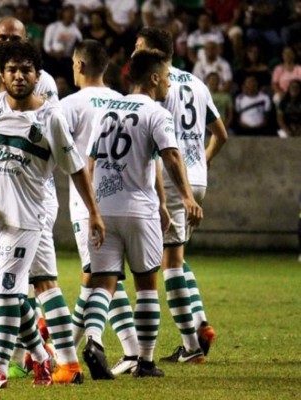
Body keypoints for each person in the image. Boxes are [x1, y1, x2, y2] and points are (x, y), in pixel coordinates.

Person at [0, 40, 105, 389]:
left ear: (37, 76)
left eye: (26, 70)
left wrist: (94, 213)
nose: (19, 76)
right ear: (3, 74)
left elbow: (76, 169)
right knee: (42, 285)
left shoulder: (50, 117)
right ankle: (53, 361)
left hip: (27, 218)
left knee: (6, 292)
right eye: (12, 70)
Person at [83, 49, 203, 379]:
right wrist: (187, 197)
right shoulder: (156, 112)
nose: (168, 83)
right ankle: (146, 363)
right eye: (165, 76)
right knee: (147, 285)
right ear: (153, 78)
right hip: (139, 209)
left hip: (103, 208)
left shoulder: (106, 110)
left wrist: (93, 207)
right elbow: (171, 157)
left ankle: (93, 340)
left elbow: (91, 162)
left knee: (103, 283)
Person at [134, 27, 228, 364]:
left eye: (138, 46)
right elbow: (221, 134)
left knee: (168, 262)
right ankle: (200, 322)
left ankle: (191, 347)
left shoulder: (159, 85)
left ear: (152, 51)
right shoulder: (197, 83)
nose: (134, 51)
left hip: (175, 182)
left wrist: (180, 185)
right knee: (176, 254)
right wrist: (202, 163)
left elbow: (161, 145)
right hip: (196, 180)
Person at [58, 39, 124, 364]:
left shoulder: (70, 105)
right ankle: (133, 351)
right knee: (105, 277)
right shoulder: (125, 103)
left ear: (80, 65)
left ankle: (67, 350)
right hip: (122, 201)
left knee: (97, 277)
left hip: (85, 204)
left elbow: (56, 153)